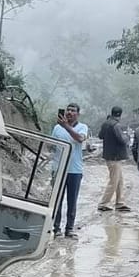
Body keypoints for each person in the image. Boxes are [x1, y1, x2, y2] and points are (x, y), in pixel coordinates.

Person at [51, 101, 88, 238]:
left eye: (73, 110)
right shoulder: (56, 128)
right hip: (58, 168)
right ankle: (56, 228)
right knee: (57, 200)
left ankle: (69, 228)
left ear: (78, 114)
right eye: (68, 110)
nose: (70, 112)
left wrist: (65, 126)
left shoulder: (82, 127)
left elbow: (79, 139)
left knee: (72, 200)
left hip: (75, 170)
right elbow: (52, 146)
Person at [98, 105, 131, 212]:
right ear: (120, 115)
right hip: (115, 156)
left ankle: (120, 202)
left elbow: (100, 136)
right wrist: (128, 136)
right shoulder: (116, 125)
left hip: (108, 155)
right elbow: (122, 139)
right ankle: (103, 203)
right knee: (114, 181)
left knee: (120, 180)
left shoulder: (105, 124)